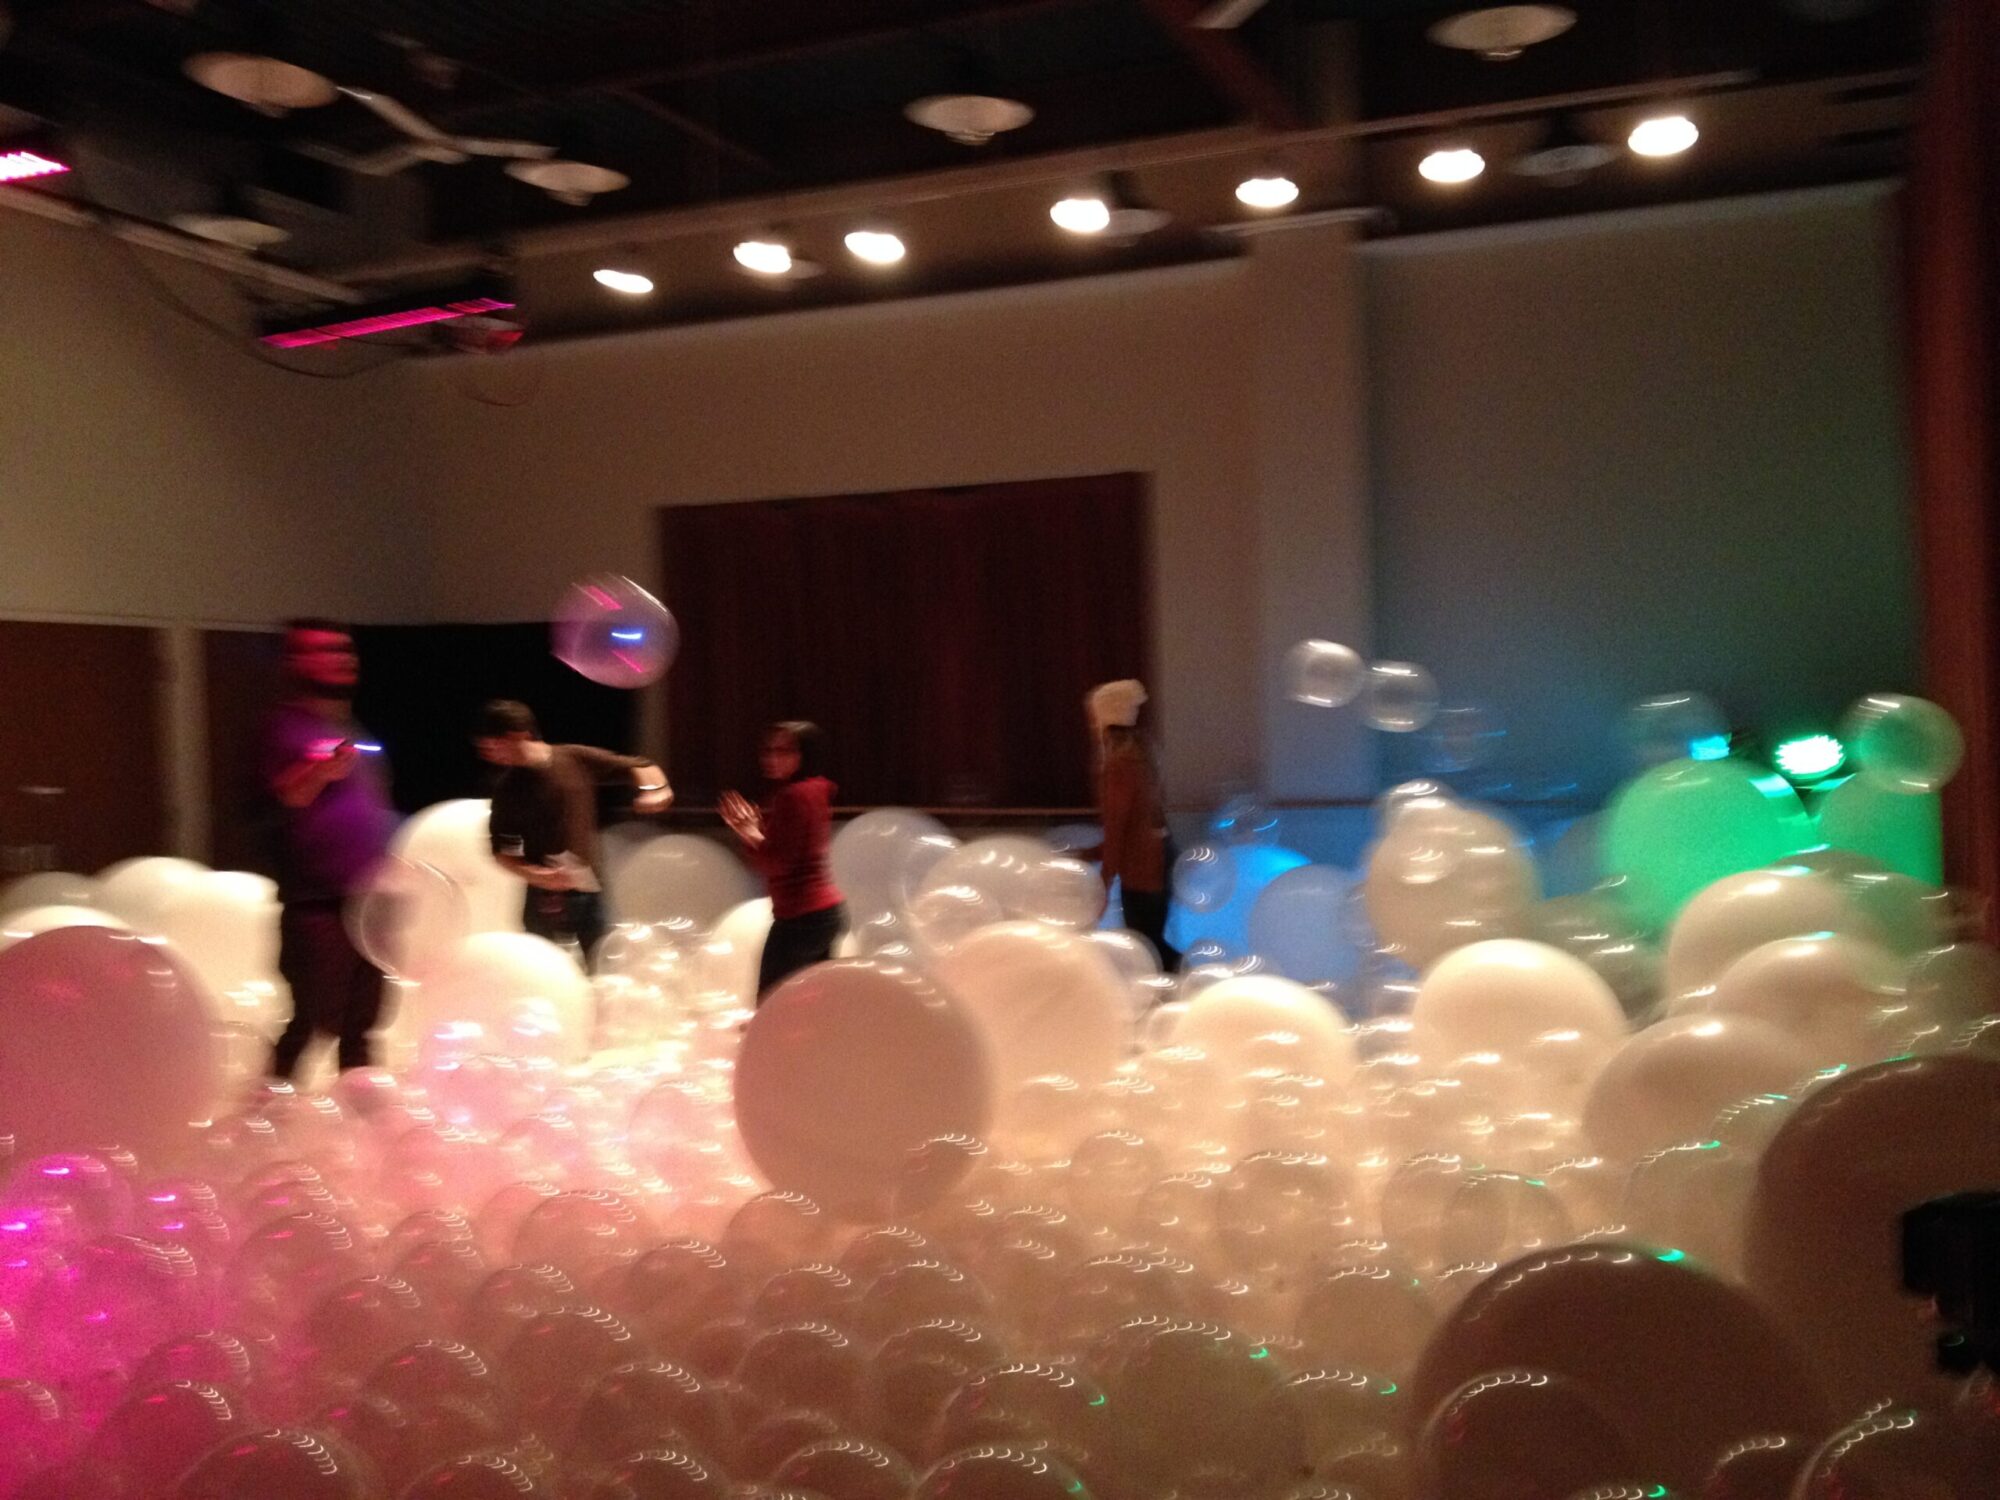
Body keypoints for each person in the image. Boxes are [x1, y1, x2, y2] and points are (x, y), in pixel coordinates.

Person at [262, 618, 401, 1078]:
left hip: (367, 903)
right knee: (313, 1020)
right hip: (317, 905)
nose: (341, 658)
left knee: (362, 1027)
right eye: (324, 650)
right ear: (296, 662)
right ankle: (264, 1122)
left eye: (345, 650)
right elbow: (284, 797)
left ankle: (364, 1120)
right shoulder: (281, 726)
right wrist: (321, 769)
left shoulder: (349, 725)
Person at [475, 699, 673, 964]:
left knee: (602, 965)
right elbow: (502, 852)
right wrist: (537, 875)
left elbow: (641, 766)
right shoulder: (507, 789)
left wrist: (656, 791)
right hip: (541, 896)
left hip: (589, 890)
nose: (490, 755)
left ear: (519, 734)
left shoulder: (572, 758)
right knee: (540, 968)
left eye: (493, 745)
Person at [719, 721, 846, 1001]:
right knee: (814, 1002)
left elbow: (778, 862)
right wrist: (752, 832)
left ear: (805, 754)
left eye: (784, 750)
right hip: (824, 915)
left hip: (801, 916)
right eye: (769, 750)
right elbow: (787, 853)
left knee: (771, 1003)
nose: (772, 757)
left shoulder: (794, 795)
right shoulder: (813, 789)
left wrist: (749, 831)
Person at [1087, 678, 1180, 972]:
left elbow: (1118, 829)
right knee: (1155, 941)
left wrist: (1103, 884)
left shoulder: (1119, 765)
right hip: (1160, 857)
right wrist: (1090, 853)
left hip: (1143, 868)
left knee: (1147, 948)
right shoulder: (1144, 758)